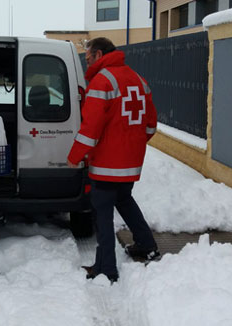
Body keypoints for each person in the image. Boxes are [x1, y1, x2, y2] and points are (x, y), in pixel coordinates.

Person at [67, 37, 160, 283]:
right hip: (130, 163)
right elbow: (150, 126)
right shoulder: (139, 79)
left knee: (102, 214)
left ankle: (106, 268)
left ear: (98, 54)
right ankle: (146, 245)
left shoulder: (102, 82)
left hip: (107, 164)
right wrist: (132, 146)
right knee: (125, 200)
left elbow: (91, 129)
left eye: (87, 58)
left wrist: (74, 157)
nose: (86, 63)